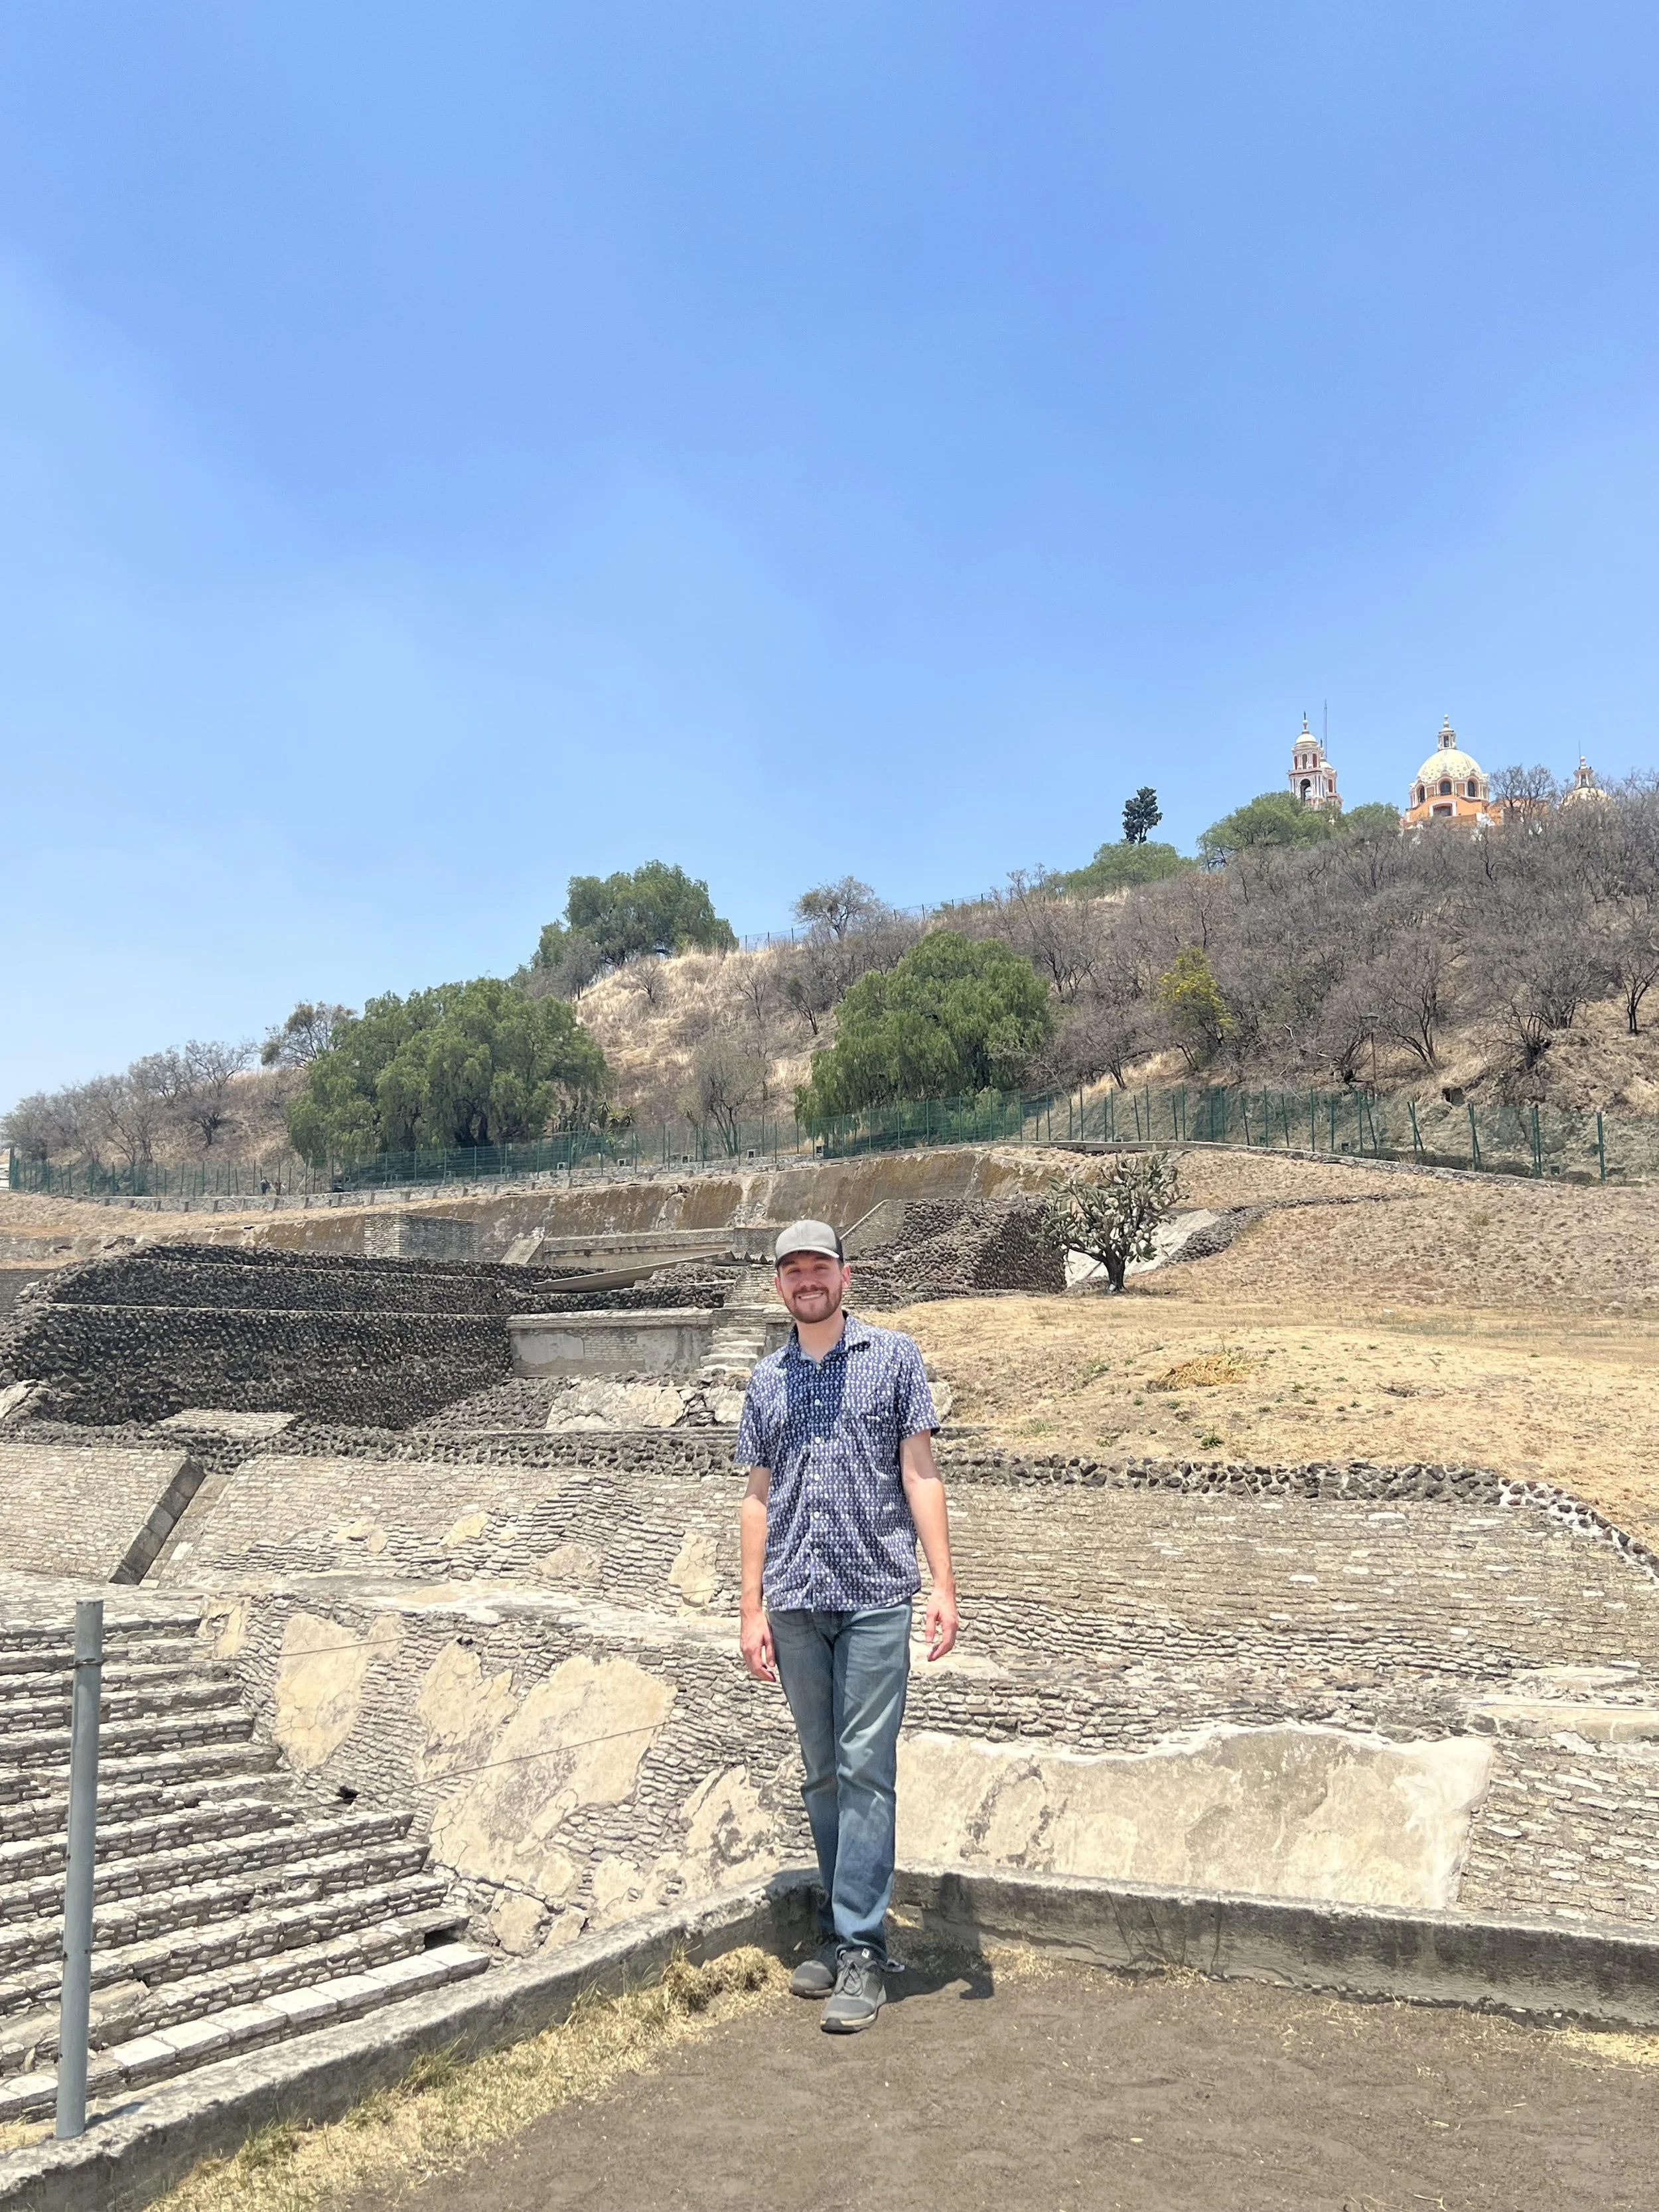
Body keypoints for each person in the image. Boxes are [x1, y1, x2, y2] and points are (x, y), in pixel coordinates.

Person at [737, 1218, 959, 2034]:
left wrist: (943, 1584)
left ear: (845, 1275)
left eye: (818, 1267)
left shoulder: (893, 1357)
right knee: (822, 1770)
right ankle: (839, 1927)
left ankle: (863, 1948)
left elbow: (920, 1471)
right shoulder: (766, 1381)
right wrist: (749, 1606)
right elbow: (757, 1495)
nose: (807, 1281)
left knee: (866, 1766)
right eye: (792, 1271)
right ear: (779, 1286)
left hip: (874, 1593)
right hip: (794, 1596)